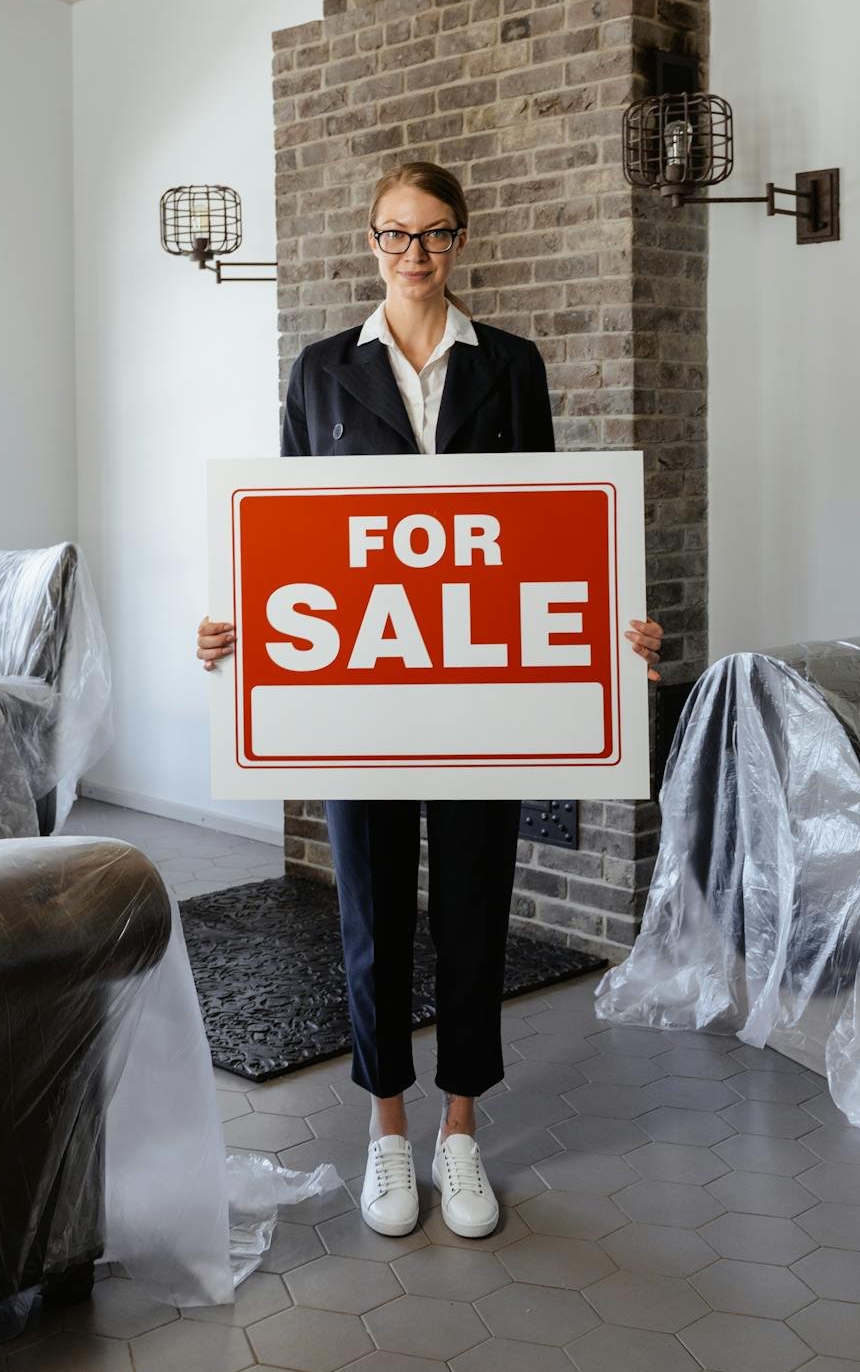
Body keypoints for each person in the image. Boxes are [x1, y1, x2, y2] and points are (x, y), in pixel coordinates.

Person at [197, 161, 663, 1240]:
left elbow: (547, 529)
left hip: (478, 698)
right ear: (370, 241)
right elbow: (291, 535)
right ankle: (387, 1132)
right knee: (369, 915)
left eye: (435, 234)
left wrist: (611, 624)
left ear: (461, 241)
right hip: (361, 698)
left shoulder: (511, 365)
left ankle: (460, 1132)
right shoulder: (320, 371)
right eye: (395, 234)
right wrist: (235, 626)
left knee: (470, 909)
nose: (414, 254)